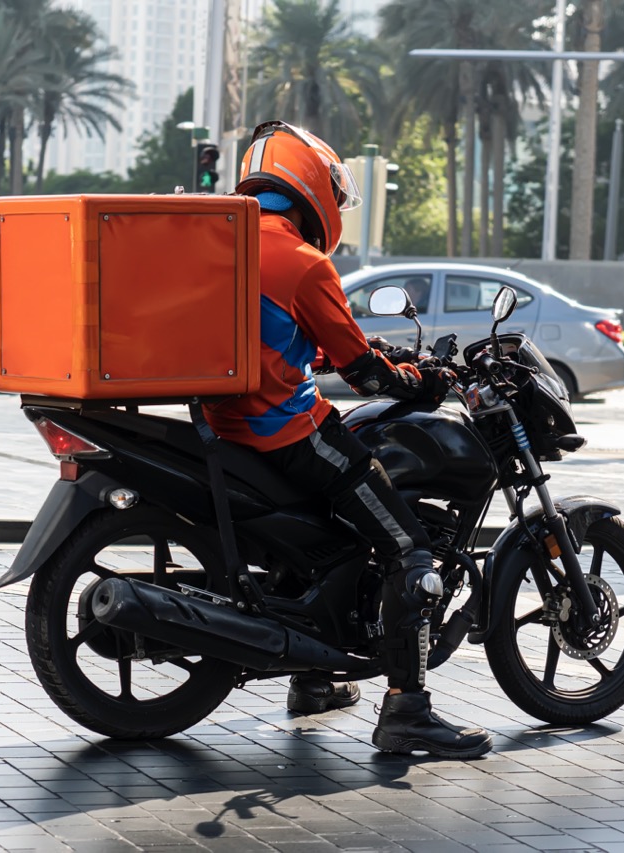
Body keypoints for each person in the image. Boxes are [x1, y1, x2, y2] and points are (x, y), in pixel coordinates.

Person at [203, 120, 493, 760]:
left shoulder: (222, 241)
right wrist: (422, 382)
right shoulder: (304, 262)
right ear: (310, 185)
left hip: (227, 428)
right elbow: (364, 375)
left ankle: (316, 680)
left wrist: (380, 358)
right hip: (287, 433)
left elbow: (307, 342)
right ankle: (407, 713)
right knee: (408, 548)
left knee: (334, 537)